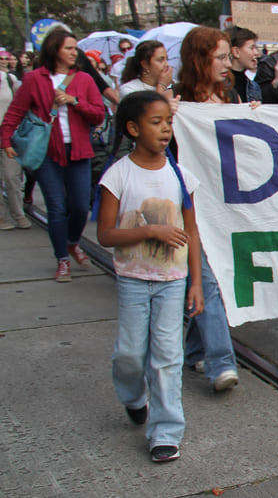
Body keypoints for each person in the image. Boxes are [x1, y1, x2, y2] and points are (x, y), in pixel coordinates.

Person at [96, 90, 204, 464]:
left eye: (168, 122)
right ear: (132, 128)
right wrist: (150, 232)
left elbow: (192, 233)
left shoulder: (180, 175)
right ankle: (133, 397)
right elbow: (105, 234)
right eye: (155, 122)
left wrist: (195, 283)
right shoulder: (118, 175)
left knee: (167, 357)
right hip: (132, 280)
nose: (165, 129)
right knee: (129, 353)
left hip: (172, 281)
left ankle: (165, 432)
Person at [1, 29, 105, 281]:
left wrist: (74, 101)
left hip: (79, 152)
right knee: (56, 208)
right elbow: (15, 111)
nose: (74, 52)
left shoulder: (84, 79)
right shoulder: (35, 79)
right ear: (54, 50)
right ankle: (62, 259)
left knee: (80, 207)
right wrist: (5, 140)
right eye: (68, 48)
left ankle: (72, 242)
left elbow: (99, 114)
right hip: (48, 154)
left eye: (74, 48)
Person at [172, 27, 241, 392]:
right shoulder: (175, 103)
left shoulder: (232, 99)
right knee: (209, 286)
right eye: (220, 57)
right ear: (200, 59)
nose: (227, 65)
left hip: (225, 210)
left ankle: (191, 351)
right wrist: (167, 118)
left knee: (221, 284)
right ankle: (220, 365)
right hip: (191, 211)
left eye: (228, 57)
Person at [0, 59, 30, 230]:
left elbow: (21, 105)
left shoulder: (9, 80)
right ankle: (1, 216)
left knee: (12, 176)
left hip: (9, 134)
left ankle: (18, 213)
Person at [227, 27, 262, 103]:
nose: (256, 53)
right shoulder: (219, 85)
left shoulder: (253, 87)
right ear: (236, 52)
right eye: (252, 48)